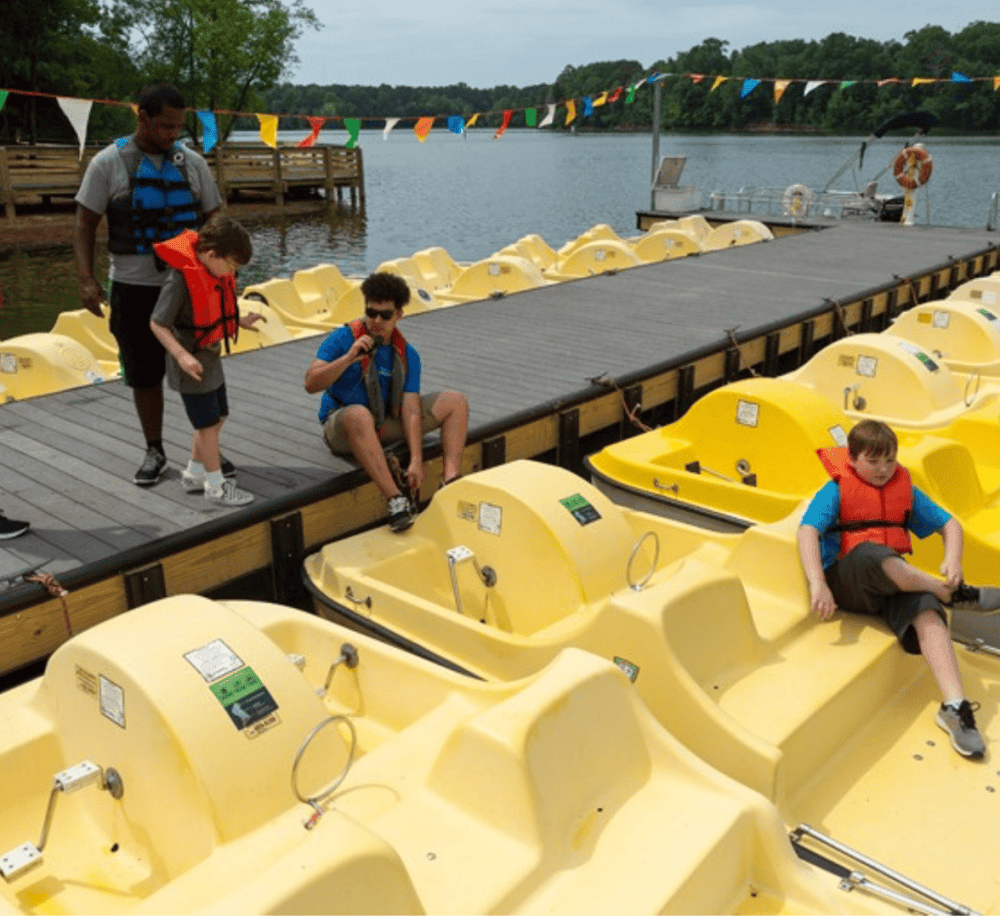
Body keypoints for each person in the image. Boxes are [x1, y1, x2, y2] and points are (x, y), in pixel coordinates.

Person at [798, 419, 1000, 759]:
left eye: (890, 460)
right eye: (873, 461)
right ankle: (952, 593)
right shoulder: (834, 490)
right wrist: (819, 584)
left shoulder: (902, 487)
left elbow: (950, 525)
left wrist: (954, 559)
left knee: (927, 610)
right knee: (871, 553)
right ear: (852, 459)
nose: (883, 469)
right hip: (849, 580)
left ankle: (955, 707)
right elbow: (807, 532)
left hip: (891, 583)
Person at [74, 82, 223, 487]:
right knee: (143, 373)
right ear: (141, 116)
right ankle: (154, 449)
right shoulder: (108, 163)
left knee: (202, 368)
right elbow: (85, 224)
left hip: (188, 286)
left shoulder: (192, 164)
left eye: (177, 127)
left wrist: (221, 272)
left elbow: (214, 218)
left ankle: (207, 449)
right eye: (164, 126)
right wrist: (86, 280)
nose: (172, 134)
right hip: (133, 285)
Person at [304, 271, 469, 532]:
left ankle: (451, 482)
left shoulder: (407, 354)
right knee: (358, 414)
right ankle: (395, 499)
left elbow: (412, 410)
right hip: (344, 426)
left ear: (398, 315)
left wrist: (416, 459)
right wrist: (347, 359)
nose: (376, 321)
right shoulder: (342, 339)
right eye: (371, 313)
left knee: (455, 401)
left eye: (385, 315)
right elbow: (310, 383)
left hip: (382, 423)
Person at [149, 214, 261, 507]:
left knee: (218, 415)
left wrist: (241, 321)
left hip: (211, 360)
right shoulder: (179, 279)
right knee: (207, 423)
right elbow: (157, 324)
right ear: (211, 254)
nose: (231, 272)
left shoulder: (213, 270)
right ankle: (215, 486)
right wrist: (182, 356)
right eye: (231, 265)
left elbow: (216, 310)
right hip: (191, 365)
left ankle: (194, 473)